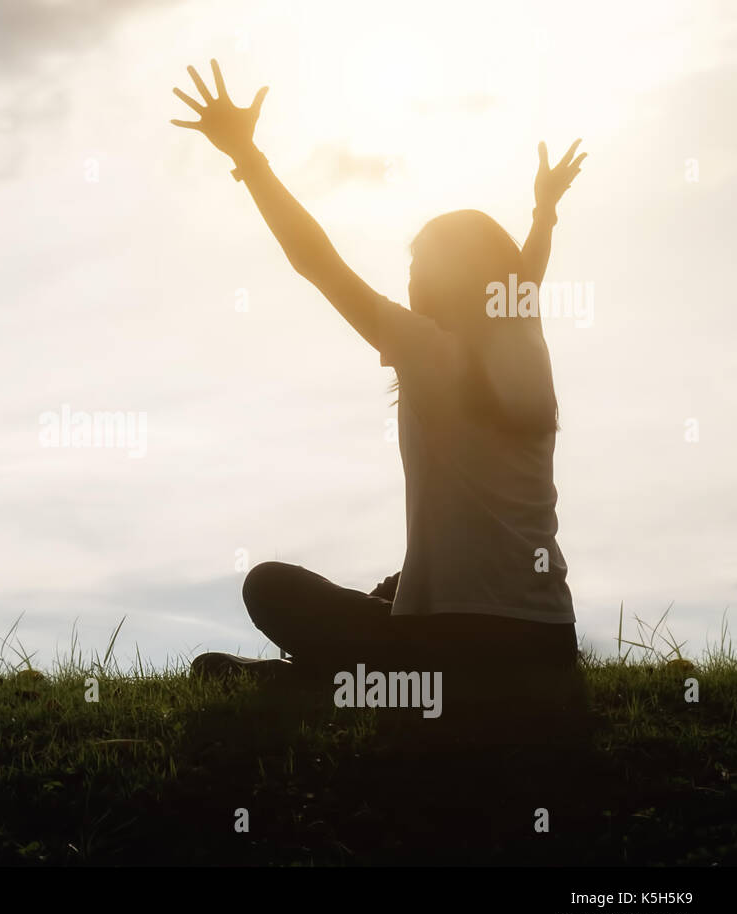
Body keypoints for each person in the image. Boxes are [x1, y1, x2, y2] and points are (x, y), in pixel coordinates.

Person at [172, 61, 586, 704]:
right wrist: (544, 214)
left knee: (269, 586)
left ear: (450, 280)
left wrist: (248, 157)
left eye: (421, 264)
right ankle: (351, 672)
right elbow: (525, 272)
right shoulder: (525, 343)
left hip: (453, 646)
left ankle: (332, 681)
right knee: (397, 584)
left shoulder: (428, 351)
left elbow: (318, 262)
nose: (412, 278)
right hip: (548, 640)